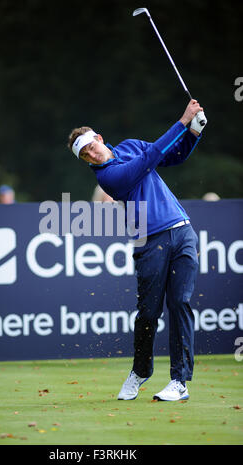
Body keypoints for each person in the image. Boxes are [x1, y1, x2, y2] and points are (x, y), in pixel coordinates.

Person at [68, 99, 207, 402]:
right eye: (84, 155)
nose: (90, 153)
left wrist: (194, 134)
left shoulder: (131, 145)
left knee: (181, 303)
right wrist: (183, 120)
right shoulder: (107, 178)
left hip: (182, 230)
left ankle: (180, 381)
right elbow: (148, 160)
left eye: (90, 146)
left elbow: (172, 156)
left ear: (99, 138)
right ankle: (141, 370)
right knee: (148, 313)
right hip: (151, 242)